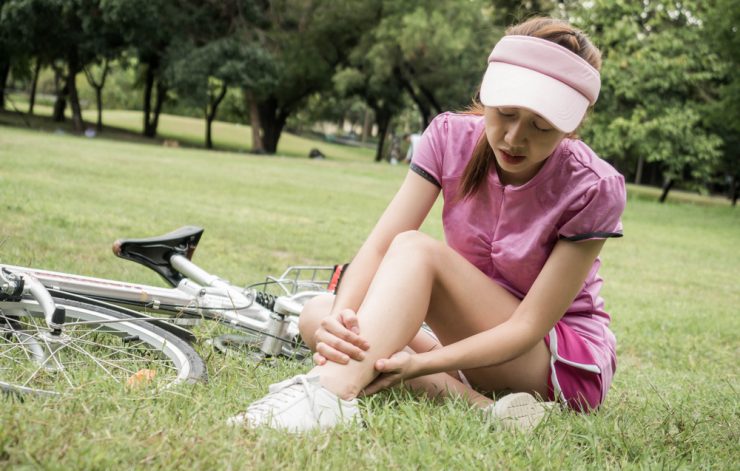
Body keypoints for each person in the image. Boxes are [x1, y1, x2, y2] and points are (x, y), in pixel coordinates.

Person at [228, 16, 626, 433]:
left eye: (541, 126)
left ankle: (327, 395)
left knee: (416, 250)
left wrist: (423, 362)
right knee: (317, 314)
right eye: (505, 112)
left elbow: (526, 327)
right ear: (485, 94)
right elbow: (379, 246)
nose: (513, 137)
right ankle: (483, 408)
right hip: (460, 338)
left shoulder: (593, 186)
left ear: (572, 126)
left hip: (549, 360)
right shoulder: (449, 137)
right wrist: (341, 320)